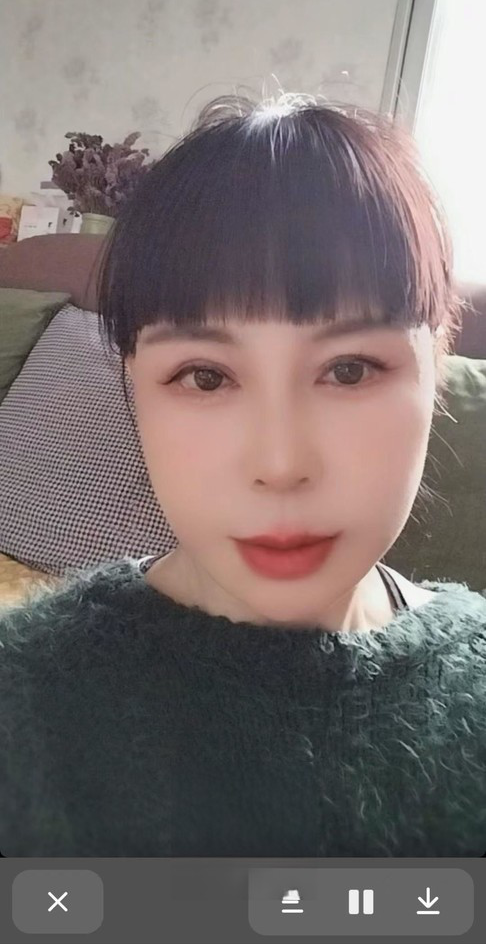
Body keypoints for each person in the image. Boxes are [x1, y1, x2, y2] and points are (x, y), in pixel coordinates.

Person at [1, 90, 485, 858]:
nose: (280, 465)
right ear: (133, 389)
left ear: (436, 373)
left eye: (350, 369)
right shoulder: (23, 694)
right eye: (205, 377)